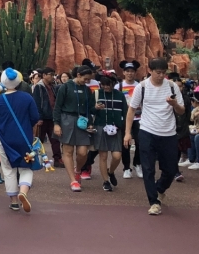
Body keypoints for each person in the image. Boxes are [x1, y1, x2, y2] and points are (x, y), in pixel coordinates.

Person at [125, 58, 185, 215]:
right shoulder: (142, 87)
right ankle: (153, 202)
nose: (161, 76)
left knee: (171, 170)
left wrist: (174, 105)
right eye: (158, 73)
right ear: (150, 71)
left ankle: (159, 189)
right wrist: (127, 133)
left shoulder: (172, 86)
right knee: (148, 168)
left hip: (169, 133)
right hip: (147, 131)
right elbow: (131, 110)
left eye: (163, 73)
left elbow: (182, 111)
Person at [0, 68, 41, 212]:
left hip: (5, 139)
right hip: (24, 138)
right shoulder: (27, 97)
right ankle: (23, 190)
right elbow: (35, 117)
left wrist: (0, 129)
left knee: (8, 170)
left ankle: (14, 201)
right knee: (26, 167)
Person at [53, 64, 97, 192]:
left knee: (83, 152)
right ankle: (73, 180)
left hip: (82, 121)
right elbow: (57, 107)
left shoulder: (87, 90)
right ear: (78, 75)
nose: (87, 81)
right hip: (66, 120)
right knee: (68, 151)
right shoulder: (65, 87)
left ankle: (78, 170)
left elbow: (90, 108)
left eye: (89, 79)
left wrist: (91, 120)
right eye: (86, 79)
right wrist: (56, 123)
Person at [93, 73, 128, 191]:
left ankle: (111, 171)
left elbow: (126, 113)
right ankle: (105, 181)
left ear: (113, 84)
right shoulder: (97, 94)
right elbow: (90, 110)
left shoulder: (120, 95)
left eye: (108, 84)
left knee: (117, 156)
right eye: (103, 84)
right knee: (103, 155)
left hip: (116, 128)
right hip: (100, 127)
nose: (106, 87)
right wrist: (96, 108)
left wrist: (126, 129)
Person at [32, 67, 63, 168]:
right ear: (44, 75)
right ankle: (37, 159)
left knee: (55, 139)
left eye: (53, 74)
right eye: (50, 74)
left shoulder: (53, 87)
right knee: (39, 140)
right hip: (43, 118)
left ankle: (57, 159)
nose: (52, 77)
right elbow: (36, 103)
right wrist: (39, 117)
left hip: (52, 117)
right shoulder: (38, 87)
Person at [119, 61, 143, 179]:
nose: (130, 73)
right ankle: (126, 167)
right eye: (127, 71)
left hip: (139, 118)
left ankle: (137, 164)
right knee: (125, 144)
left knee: (140, 142)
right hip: (124, 118)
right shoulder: (118, 86)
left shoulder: (140, 86)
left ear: (135, 73)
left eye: (132, 71)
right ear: (123, 72)